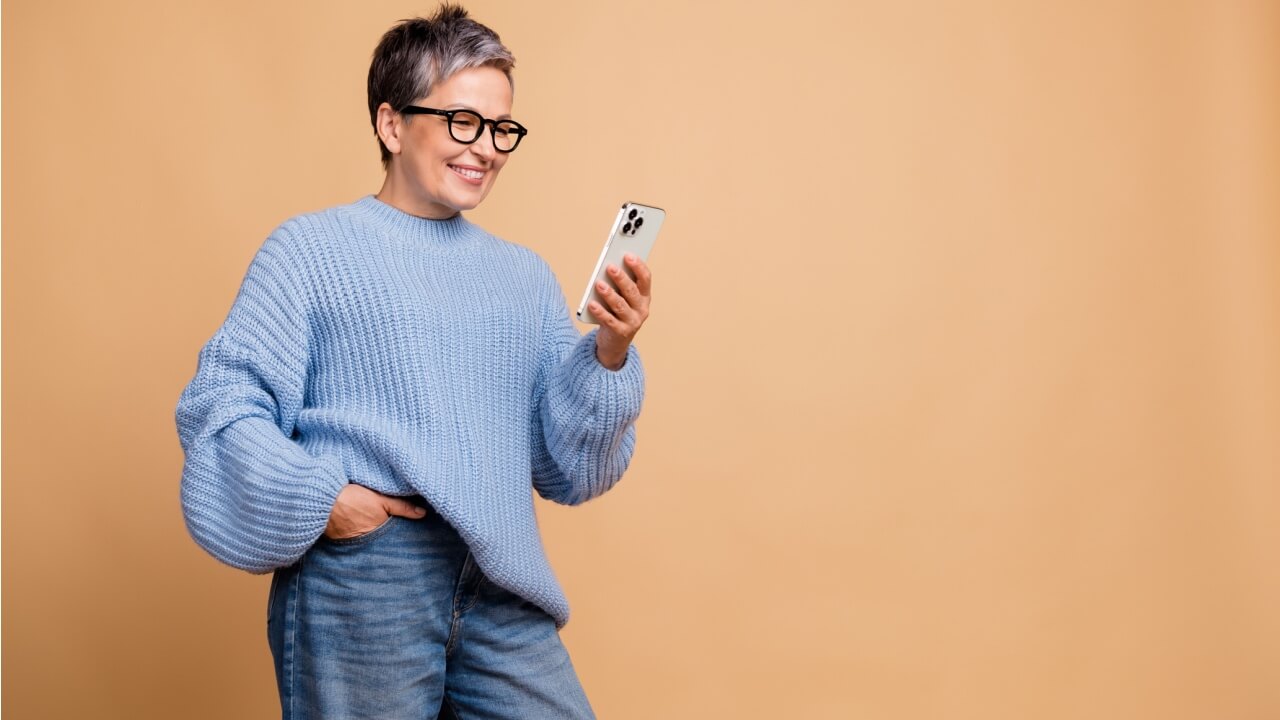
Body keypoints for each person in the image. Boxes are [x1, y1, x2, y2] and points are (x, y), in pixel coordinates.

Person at [174, 5, 651, 718]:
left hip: (500, 576)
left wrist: (609, 353)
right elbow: (221, 405)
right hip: (367, 573)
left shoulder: (523, 277)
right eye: (463, 120)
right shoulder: (310, 251)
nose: (485, 147)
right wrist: (325, 499)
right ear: (391, 124)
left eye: (500, 128)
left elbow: (566, 468)